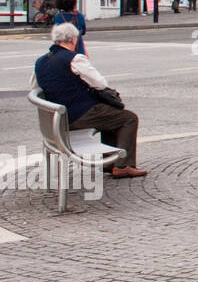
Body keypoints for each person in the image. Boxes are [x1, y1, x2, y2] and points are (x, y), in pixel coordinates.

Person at [33, 22, 147, 178]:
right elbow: (100, 83)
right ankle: (122, 165)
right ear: (73, 39)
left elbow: (35, 86)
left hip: (57, 120)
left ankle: (109, 162)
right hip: (78, 115)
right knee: (128, 118)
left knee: (111, 115)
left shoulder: (40, 62)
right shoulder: (74, 59)